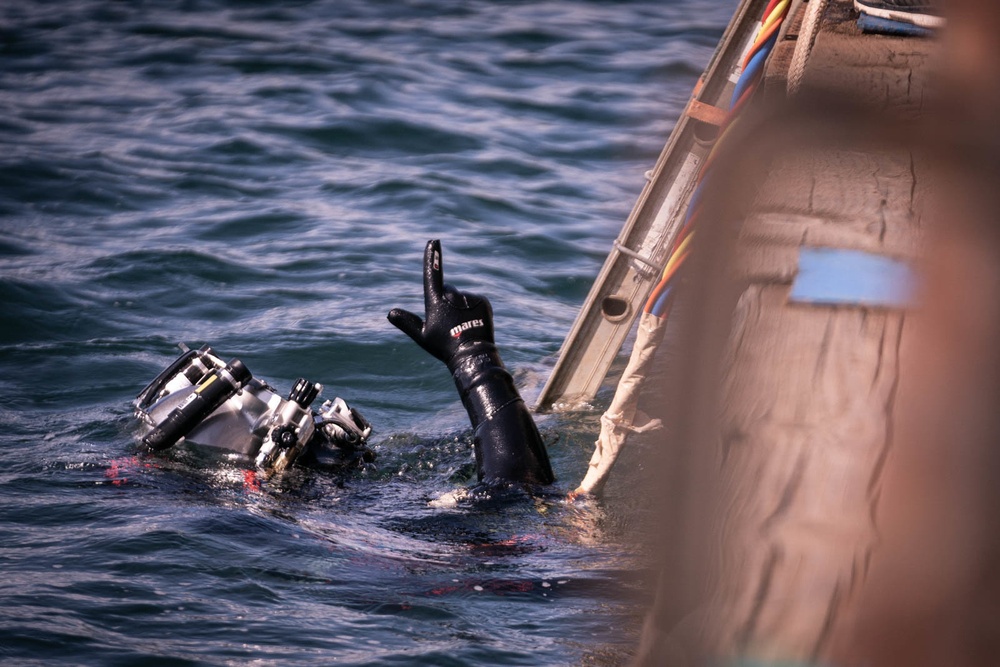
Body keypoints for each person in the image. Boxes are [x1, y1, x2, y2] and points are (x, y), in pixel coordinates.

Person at [133, 240, 554, 487]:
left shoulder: (342, 495)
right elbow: (514, 501)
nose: (280, 405)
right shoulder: (357, 525)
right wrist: (474, 360)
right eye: (262, 410)